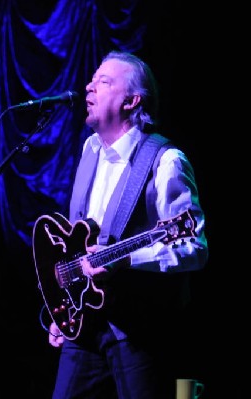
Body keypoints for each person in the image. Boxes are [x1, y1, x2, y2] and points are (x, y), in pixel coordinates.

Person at [44, 51, 208, 398]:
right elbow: (76, 243)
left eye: (103, 81)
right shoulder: (89, 150)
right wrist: (63, 309)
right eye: (91, 79)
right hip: (86, 324)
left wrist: (129, 259)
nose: (89, 86)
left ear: (132, 101)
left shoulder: (166, 161)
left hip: (139, 330)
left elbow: (194, 247)